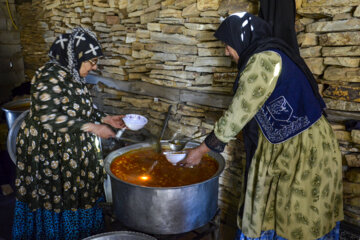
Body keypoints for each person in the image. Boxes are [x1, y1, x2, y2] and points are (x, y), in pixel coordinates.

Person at [182, 12, 343, 240]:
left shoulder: (264, 61)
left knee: (294, 212)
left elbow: (240, 110)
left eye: (228, 44)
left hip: (302, 149)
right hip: (294, 142)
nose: (226, 51)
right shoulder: (269, 54)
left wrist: (201, 150)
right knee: (281, 209)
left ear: (241, 39)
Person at [12, 27, 126, 239]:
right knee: (57, 194)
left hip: (72, 152)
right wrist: (94, 128)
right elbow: (49, 117)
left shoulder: (72, 74)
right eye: (92, 62)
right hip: (50, 152)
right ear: (76, 56)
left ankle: (83, 234)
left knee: (79, 192)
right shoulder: (48, 76)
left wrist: (104, 118)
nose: (94, 67)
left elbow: (80, 107)